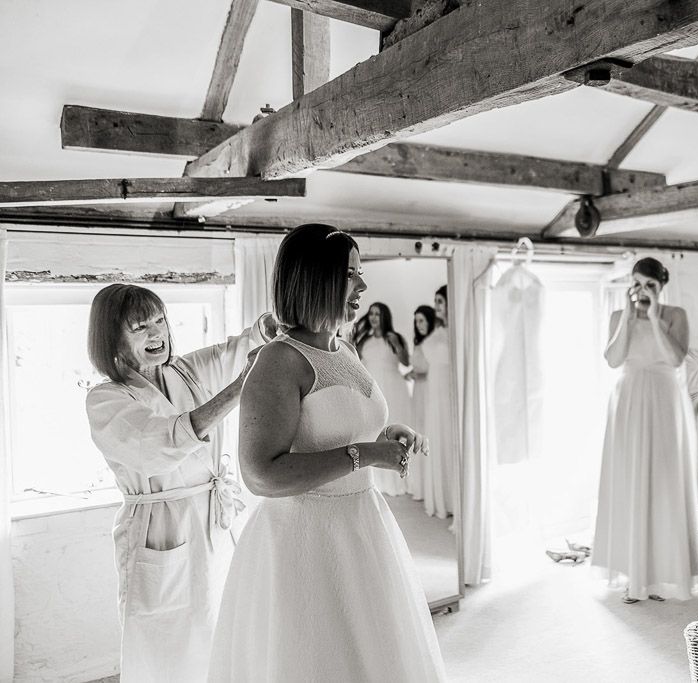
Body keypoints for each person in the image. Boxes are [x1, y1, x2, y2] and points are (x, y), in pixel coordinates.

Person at [208, 224, 445, 681]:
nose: (362, 285)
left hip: (362, 526)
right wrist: (368, 453)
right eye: (350, 274)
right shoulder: (278, 360)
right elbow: (261, 475)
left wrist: (386, 432)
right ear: (315, 278)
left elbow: (340, 423)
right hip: (305, 536)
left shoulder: (346, 347)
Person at [85, 284, 273, 682]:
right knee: (167, 649)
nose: (157, 333)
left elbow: (237, 350)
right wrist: (242, 386)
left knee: (220, 632)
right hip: (159, 530)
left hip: (211, 525)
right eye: (140, 327)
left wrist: (273, 325)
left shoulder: (186, 371)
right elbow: (162, 441)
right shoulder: (106, 400)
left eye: (160, 320)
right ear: (112, 338)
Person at [591, 257, 698, 604]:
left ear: (660, 286)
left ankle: (661, 573)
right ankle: (631, 572)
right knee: (629, 482)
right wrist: (628, 315)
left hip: (665, 401)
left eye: (648, 284)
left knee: (664, 484)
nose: (641, 290)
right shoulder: (617, 316)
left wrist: (654, 317)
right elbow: (612, 359)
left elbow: (674, 359)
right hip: (628, 402)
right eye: (636, 283)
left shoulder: (675, 315)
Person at [354, 302, 413, 496]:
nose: (373, 317)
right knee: (376, 432)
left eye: (377, 314)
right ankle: (378, 480)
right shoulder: (363, 341)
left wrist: (397, 344)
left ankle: (401, 475)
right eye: (371, 313)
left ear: (384, 316)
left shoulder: (394, 338)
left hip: (395, 389)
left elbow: (406, 362)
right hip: (374, 389)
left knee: (396, 430)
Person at [412, 287, 456, 520]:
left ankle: (454, 498)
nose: (437, 306)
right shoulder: (438, 332)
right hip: (433, 393)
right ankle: (442, 498)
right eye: (436, 301)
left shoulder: (456, 330)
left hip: (448, 392)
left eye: (440, 301)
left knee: (450, 441)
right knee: (437, 440)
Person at [405, 305, 437, 503]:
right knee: (419, 430)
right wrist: (412, 373)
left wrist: (421, 374)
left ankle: (434, 484)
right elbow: (417, 367)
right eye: (416, 321)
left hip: (431, 392)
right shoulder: (417, 344)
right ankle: (422, 484)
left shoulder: (435, 343)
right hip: (418, 392)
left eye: (422, 320)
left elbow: (437, 370)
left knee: (431, 430)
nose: (419, 324)